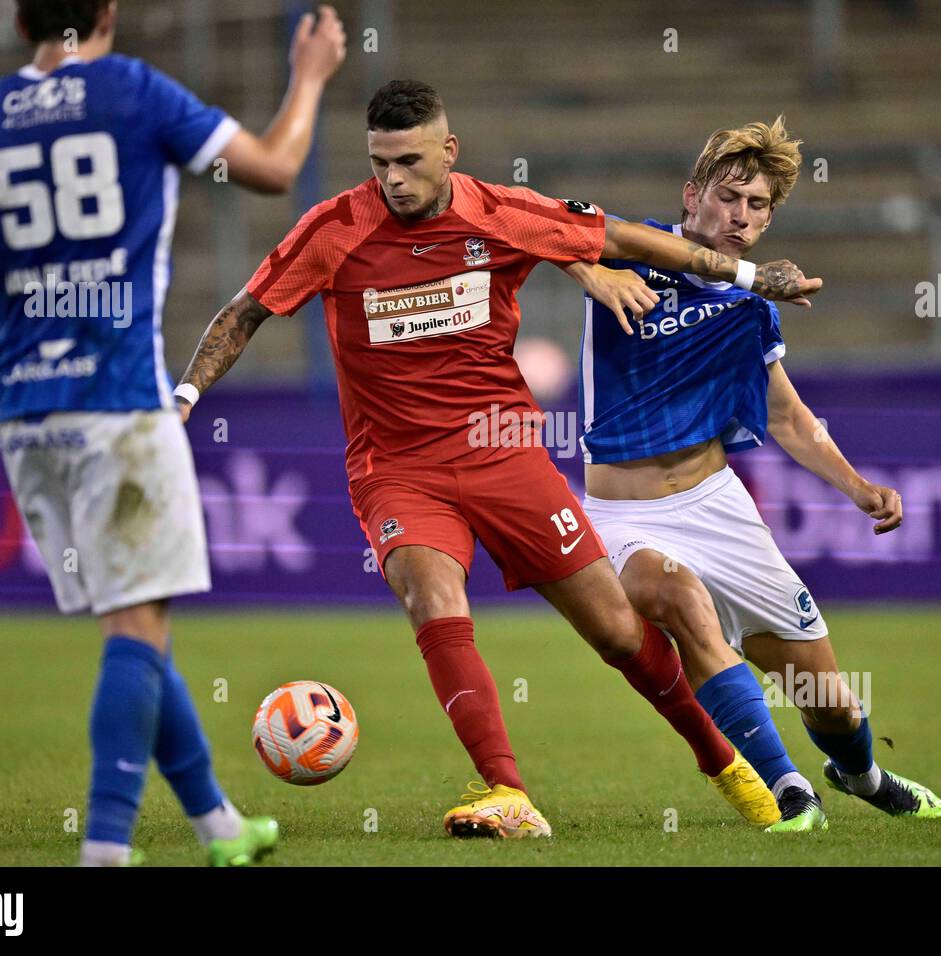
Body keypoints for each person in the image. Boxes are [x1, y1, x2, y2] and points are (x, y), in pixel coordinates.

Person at [174, 80, 823, 838]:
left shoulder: (499, 213)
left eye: (410, 161)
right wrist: (182, 400)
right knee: (432, 597)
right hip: (398, 469)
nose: (393, 179)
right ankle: (506, 792)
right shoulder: (335, 228)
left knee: (618, 632)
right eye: (380, 162)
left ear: (448, 151)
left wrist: (748, 276)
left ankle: (726, 765)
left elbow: (627, 239)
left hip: (503, 452)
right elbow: (246, 311)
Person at [0, 0, 349, 865]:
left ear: (24, 21)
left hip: (26, 413)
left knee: (132, 621)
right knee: (137, 629)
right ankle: (104, 848)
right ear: (106, 11)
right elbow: (276, 167)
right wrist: (311, 74)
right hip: (119, 407)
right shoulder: (134, 90)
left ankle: (217, 826)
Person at [566, 118, 941, 827]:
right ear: (693, 194)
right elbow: (556, 227)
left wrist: (862, 490)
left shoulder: (751, 310)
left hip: (718, 508)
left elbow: (787, 420)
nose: (741, 216)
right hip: (624, 515)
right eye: (729, 196)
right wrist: (588, 268)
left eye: (759, 205)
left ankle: (861, 776)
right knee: (679, 602)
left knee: (827, 698)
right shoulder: (634, 251)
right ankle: (786, 786)